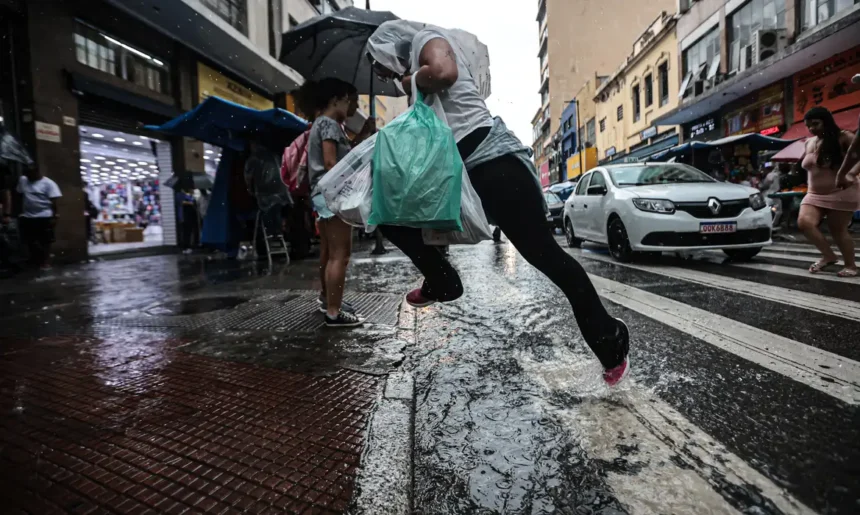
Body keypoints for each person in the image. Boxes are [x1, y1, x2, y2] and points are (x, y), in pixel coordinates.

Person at [365, 21, 630, 385]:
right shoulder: (415, 70)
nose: (382, 75)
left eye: (379, 65)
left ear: (389, 50)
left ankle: (609, 340)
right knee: (387, 210)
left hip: (496, 166)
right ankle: (441, 279)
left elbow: (444, 72)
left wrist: (410, 81)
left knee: (547, 257)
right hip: (467, 172)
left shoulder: (426, 40)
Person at [295, 78, 374, 328]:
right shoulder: (330, 124)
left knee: (329, 253)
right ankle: (334, 312)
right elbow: (331, 163)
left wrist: (362, 135)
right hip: (333, 195)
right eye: (348, 101)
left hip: (322, 195)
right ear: (336, 100)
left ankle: (327, 299)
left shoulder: (320, 123)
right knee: (341, 255)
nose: (350, 106)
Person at [797, 107, 858, 277]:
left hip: (841, 191)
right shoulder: (809, 142)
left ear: (827, 122)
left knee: (837, 230)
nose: (812, 129)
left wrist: (851, 174)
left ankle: (851, 266)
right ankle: (828, 256)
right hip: (814, 194)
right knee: (804, 222)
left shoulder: (844, 137)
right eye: (808, 126)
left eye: (815, 124)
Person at [17, 165, 61, 270]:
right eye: (27, 175)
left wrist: (54, 216)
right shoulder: (23, 180)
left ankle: (46, 262)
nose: (28, 177)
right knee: (30, 240)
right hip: (28, 216)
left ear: (37, 172)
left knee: (46, 241)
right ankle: (35, 260)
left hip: (44, 215)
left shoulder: (49, 184)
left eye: (30, 174)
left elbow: (54, 202)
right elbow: (19, 194)